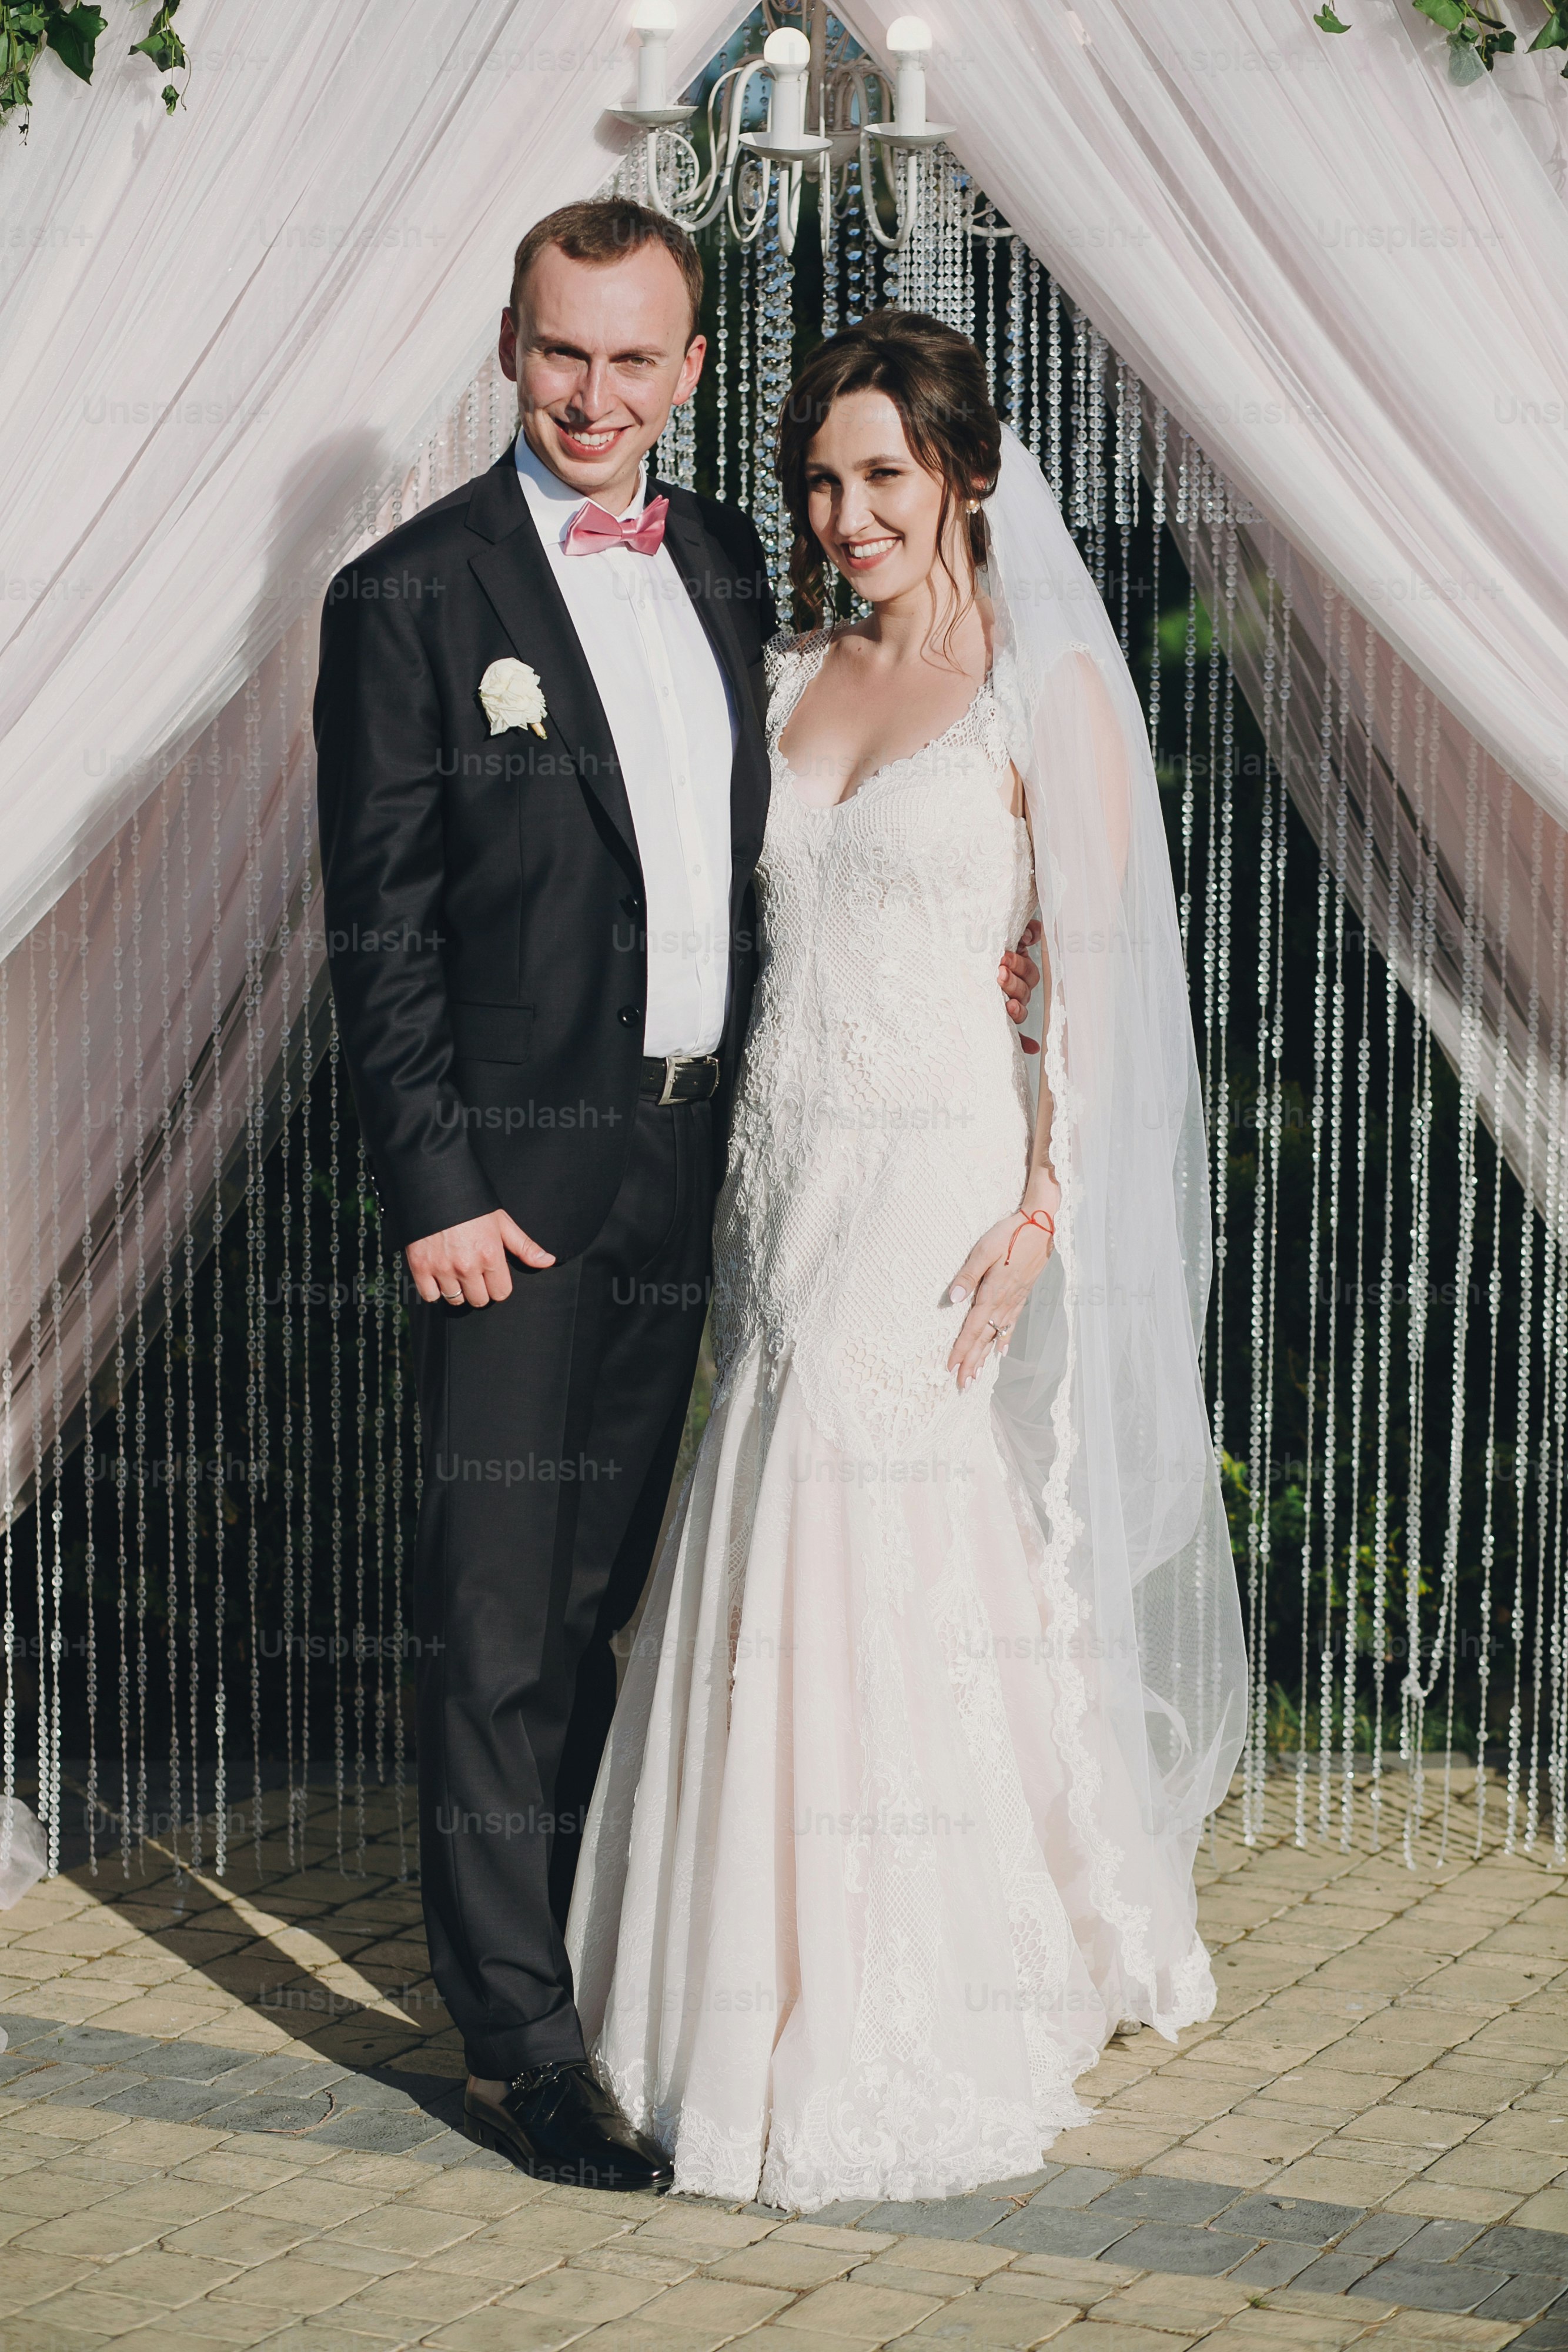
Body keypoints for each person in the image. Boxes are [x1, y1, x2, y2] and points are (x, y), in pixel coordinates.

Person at [315, 203, 1038, 2190]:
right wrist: (434, 1187)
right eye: (564, 354)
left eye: (636, 362)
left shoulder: (733, 565)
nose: (595, 395)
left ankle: (588, 1970)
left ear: (690, 371)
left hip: (713, 1174)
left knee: (611, 1599)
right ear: (508, 345)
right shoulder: (406, 598)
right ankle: (518, 2047)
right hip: (510, 1197)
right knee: (490, 1614)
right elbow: (373, 939)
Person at [565, 312, 1249, 2211]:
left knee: (866, 1493)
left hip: (942, 1166)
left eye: (879, 474)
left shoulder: (1050, 696)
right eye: (818, 479)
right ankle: (730, 1959)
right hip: (783, 1163)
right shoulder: (779, 671)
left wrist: (1047, 1209)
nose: (844, 511)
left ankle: (897, 1970)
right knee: (773, 1475)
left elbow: (1099, 990)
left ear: (963, 472)